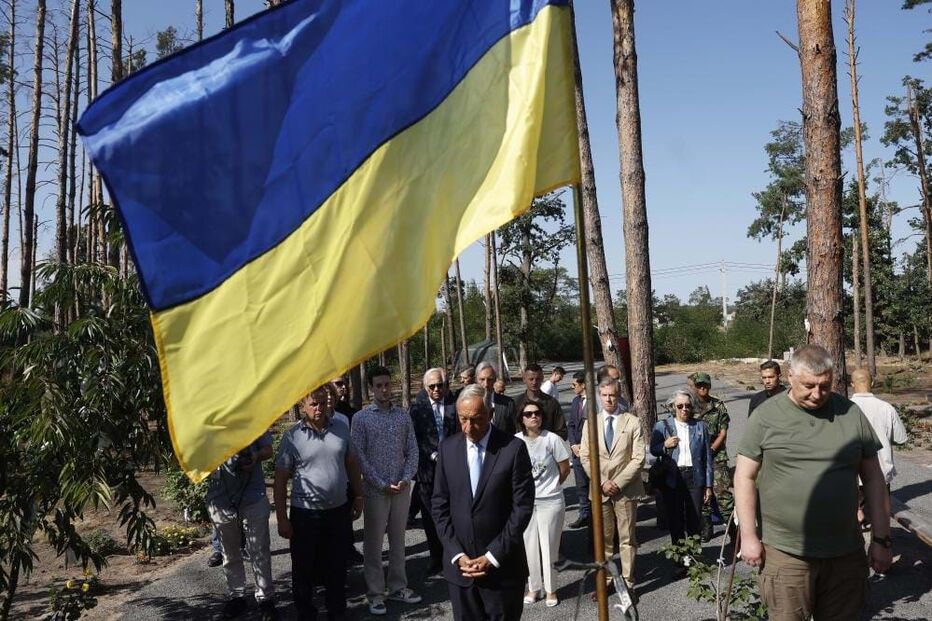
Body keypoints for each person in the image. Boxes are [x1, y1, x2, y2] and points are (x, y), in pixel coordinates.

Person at [735, 345, 892, 621]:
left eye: (825, 385)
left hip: (845, 553)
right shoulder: (766, 416)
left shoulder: (851, 414)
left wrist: (881, 539)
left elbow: (874, 478)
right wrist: (748, 536)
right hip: (787, 555)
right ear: (791, 377)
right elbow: (744, 476)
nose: (817, 394)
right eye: (809, 385)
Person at [431, 384, 535, 620]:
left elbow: (522, 508)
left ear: (490, 414)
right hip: (461, 572)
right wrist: (457, 554)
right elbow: (439, 505)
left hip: (502, 571)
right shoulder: (448, 449)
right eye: (462, 419)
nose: (468, 427)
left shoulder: (512, 449)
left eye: (475, 419)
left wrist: (492, 556)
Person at [274, 387, 363, 621]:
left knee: (337, 567)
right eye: (313, 404)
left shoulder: (341, 429)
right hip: (305, 516)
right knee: (303, 571)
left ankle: (337, 612)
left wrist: (359, 496)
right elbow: (281, 479)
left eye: (323, 403)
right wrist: (282, 518)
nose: (319, 408)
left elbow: (352, 463)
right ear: (303, 405)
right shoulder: (292, 437)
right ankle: (306, 614)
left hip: (338, 512)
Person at [351, 366, 421, 614]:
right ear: (371, 388)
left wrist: (406, 478)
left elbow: (412, 449)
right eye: (378, 385)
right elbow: (359, 455)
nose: (383, 389)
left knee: (398, 541)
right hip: (375, 491)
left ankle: (398, 587)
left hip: (401, 488)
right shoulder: (360, 419)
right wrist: (380, 483)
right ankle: (375, 593)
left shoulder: (402, 416)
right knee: (373, 544)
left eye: (386, 384)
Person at [578, 377, 645, 591]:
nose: (609, 399)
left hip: (625, 490)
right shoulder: (591, 422)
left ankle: (628, 583)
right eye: (605, 395)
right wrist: (602, 483)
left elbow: (638, 458)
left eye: (613, 395)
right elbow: (585, 456)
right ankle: (606, 581)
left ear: (619, 396)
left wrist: (617, 482)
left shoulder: (632, 421)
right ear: (599, 395)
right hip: (600, 490)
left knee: (627, 539)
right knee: (604, 541)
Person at [207, 429, 277, 620]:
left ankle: (265, 599)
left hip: (253, 496)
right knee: (229, 553)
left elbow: (268, 450)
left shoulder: (251, 417)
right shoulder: (206, 423)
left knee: (259, 550)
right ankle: (236, 596)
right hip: (220, 500)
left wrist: (255, 456)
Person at [650, 391, 713, 577]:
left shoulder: (700, 426)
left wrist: (709, 485)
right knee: (676, 521)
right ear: (673, 407)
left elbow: (707, 458)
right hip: (673, 477)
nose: (684, 409)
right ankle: (680, 562)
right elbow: (653, 450)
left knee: (694, 519)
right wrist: (664, 446)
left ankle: (693, 560)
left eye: (688, 405)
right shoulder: (663, 426)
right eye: (680, 406)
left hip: (695, 476)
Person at [515, 401, 571, 607]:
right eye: (528, 413)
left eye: (537, 413)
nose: (533, 417)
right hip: (526, 503)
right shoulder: (516, 441)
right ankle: (534, 587)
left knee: (549, 547)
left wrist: (552, 486)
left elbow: (565, 468)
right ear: (521, 418)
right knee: (529, 546)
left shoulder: (552, 439)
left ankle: (551, 590)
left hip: (551, 501)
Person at [409, 367, 458, 576]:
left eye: (440, 385)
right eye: (432, 386)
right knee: (430, 517)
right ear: (425, 387)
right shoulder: (416, 409)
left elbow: (460, 432)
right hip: (427, 472)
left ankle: (453, 555)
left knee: (453, 514)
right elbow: (413, 439)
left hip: (452, 469)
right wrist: (432, 454)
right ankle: (435, 557)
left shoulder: (454, 405)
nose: (437, 389)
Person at [850, 368, 908, 524]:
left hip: (853, 475)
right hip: (881, 473)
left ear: (851, 384)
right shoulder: (886, 408)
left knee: (853, 521)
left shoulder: (846, 408)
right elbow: (901, 438)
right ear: (873, 383)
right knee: (880, 520)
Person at [692, 372, 732, 542]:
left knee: (723, 494)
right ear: (694, 387)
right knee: (702, 494)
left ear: (709, 386)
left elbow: (723, 432)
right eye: (699, 385)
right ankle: (706, 528)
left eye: (705, 385)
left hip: (717, 455)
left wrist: (712, 449)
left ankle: (734, 531)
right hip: (696, 457)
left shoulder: (718, 406)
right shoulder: (688, 406)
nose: (702, 388)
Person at [513, 364, 567, 440]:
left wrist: (545, 441)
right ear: (524, 379)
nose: (534, 382)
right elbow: (509, 430)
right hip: (522, 447)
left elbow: (562, 431)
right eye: (531, 379)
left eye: (538, 379)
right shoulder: (516, 403)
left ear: (542, 379)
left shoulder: (552, 403)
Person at [566, 371, 591, 529]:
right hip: (577, 452)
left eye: (574, 384)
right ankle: (584, 514)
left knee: (592, 486)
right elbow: (571, 425)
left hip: (590, 451)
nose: (572, 387)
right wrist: (573, 444)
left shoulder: (596, 402)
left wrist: (585, 445)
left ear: (583, 385)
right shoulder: (576, 401)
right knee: (581, 487)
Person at [476, 361, 517, 435]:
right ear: (476, 380)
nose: (486, 384)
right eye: (482, 379)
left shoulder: (508, 403)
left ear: (495, 380)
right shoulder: (468, 403)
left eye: (490, 379)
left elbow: (514, 430)